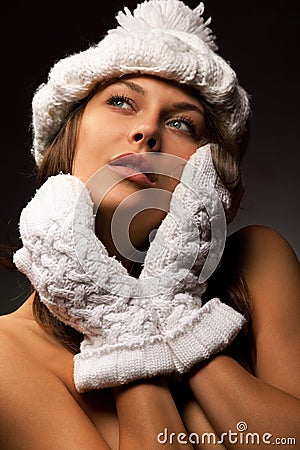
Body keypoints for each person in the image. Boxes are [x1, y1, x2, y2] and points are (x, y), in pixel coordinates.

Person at [0, 0, 299, 449]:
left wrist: (171, 308)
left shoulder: (259, 260)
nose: (147, 131)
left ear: (208, 169)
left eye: (182, 123)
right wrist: (118, 324)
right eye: (121, 101)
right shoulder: (6, 354)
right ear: (69, 133)